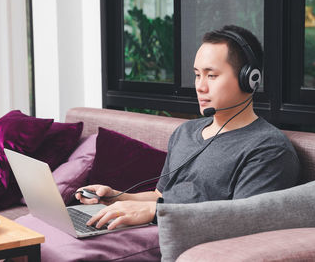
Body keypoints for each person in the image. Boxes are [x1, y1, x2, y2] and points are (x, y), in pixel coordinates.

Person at [76, 25, 300, 230]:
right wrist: (116, 198)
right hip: (149, 230)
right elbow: (160, 197)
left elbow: (242, 220)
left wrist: (156, 213)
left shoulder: (269, 148)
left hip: (187, 242)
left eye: (211, 75)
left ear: (249, 79)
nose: (200, 87)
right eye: (197, 75)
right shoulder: (185, 132)